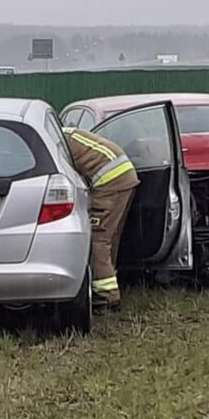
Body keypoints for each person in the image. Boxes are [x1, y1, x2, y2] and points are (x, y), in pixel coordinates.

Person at [63, 127, 140, 309]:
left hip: (109, 181)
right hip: (124, 176)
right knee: (110, 238)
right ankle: (110, 286)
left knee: (98, 240)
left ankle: (106, 298)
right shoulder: (67, 134)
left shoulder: (55, 142)